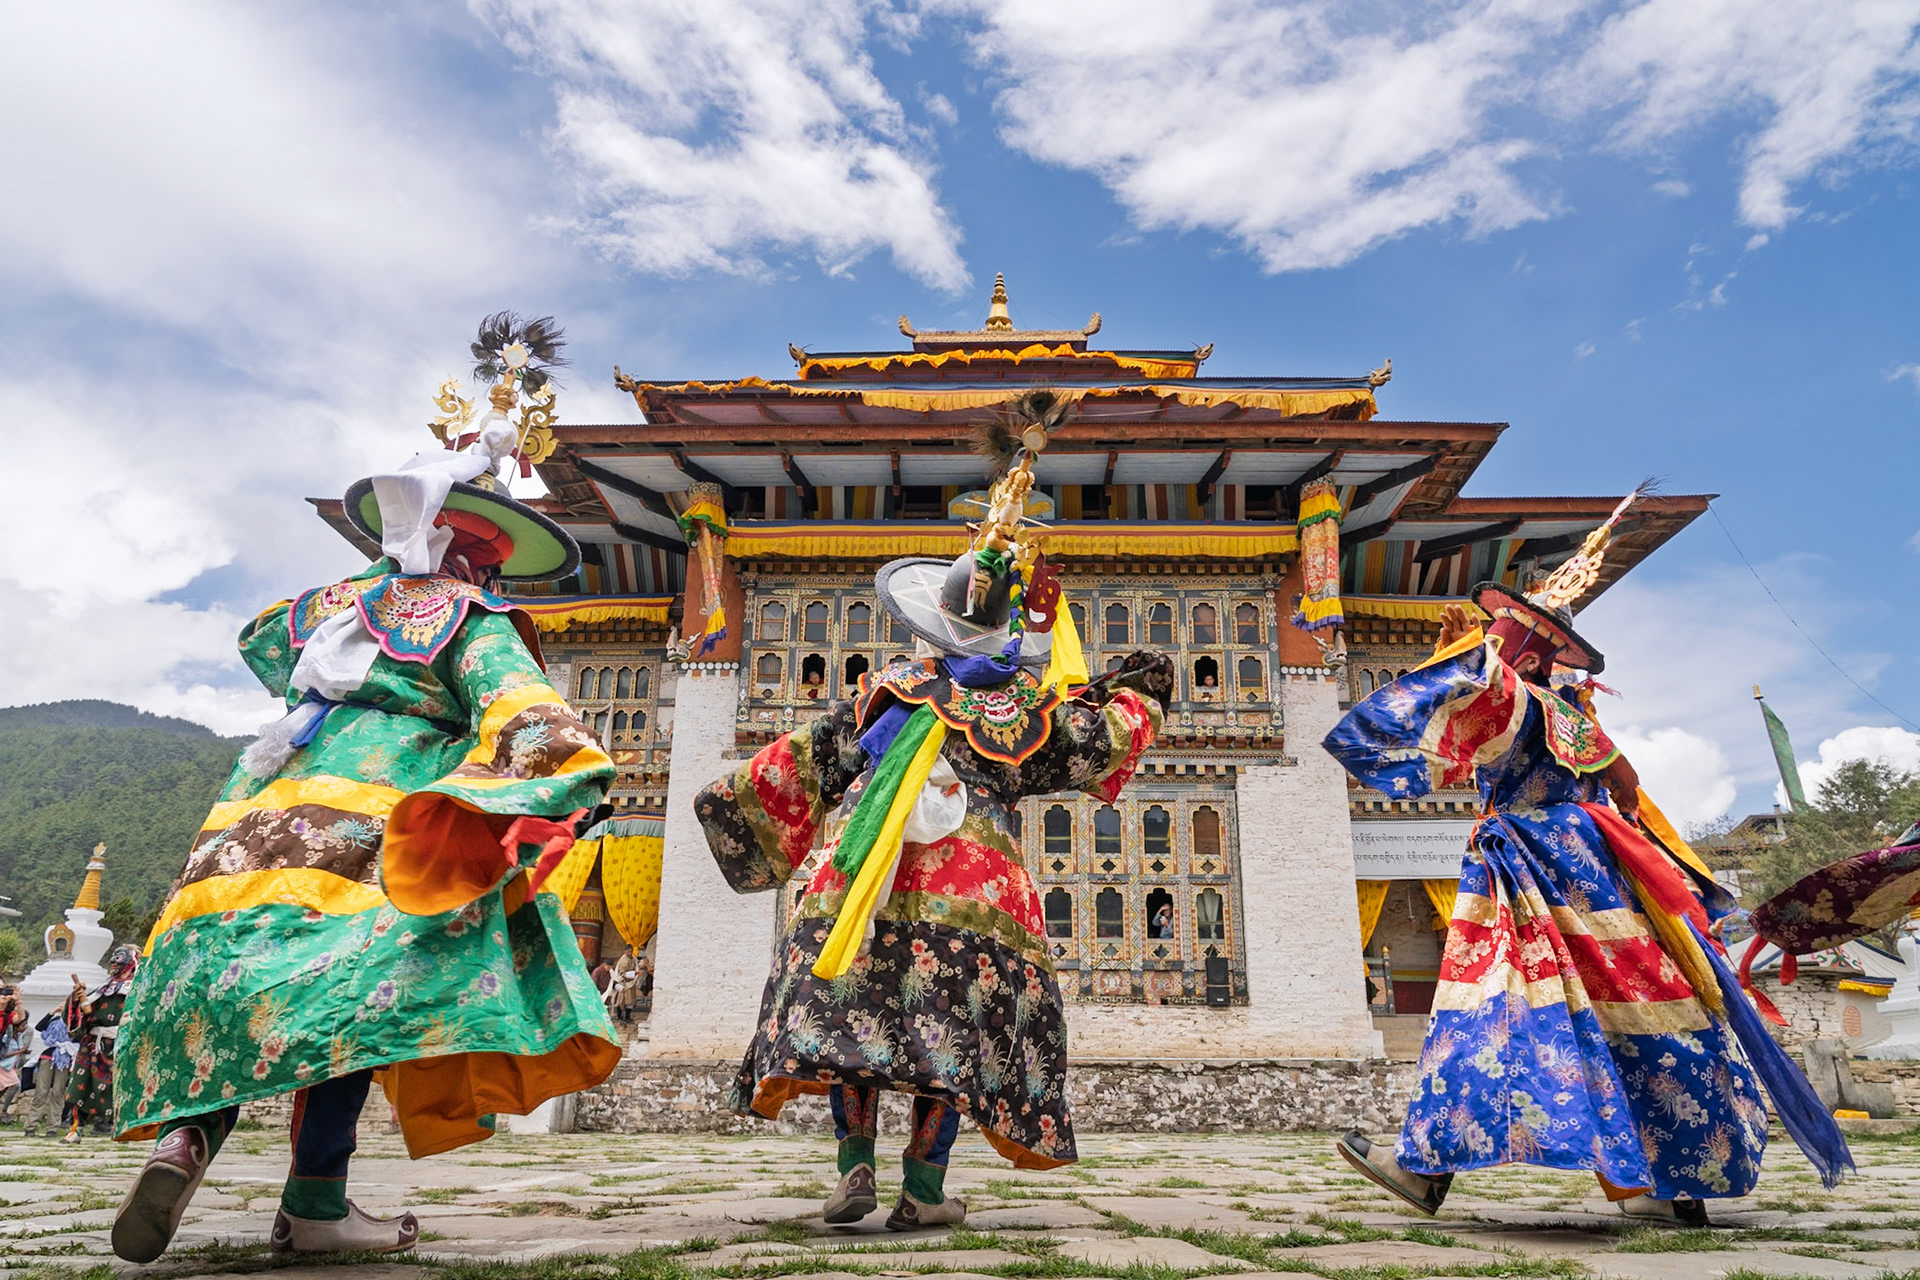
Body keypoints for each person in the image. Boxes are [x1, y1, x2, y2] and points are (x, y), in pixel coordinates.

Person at [109, 317, 621, 1264]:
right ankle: (315, 1199)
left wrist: (372, 583)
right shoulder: (471, 614)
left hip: (255, 818)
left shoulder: (329, 611)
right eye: (493, 556)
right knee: (354, 998)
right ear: (481, 552)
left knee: (243, 981)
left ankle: (191, 1142)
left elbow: (261, 639)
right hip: (371, 829)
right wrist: (574, 777)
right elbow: (526, 709)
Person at [1320, 495, 1850, 1227]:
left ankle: (1425, 1168)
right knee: (1643, 1001)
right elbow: (1628, 786)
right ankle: (1681, 1183)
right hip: (1598, 869)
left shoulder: (1513, 696)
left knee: (1485, 1010)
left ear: (1517, 652)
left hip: (1527, 870)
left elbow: (1440, 713)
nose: (1494, 649)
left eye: (1500, 640)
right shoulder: (1574, 716)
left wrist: (1451, 655)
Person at [697, 412, 1169, 1230]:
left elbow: (811, 758)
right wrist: (1139, 689)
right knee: (949, 1036)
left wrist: (728, 801)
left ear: (934, 622)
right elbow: (1098, 741)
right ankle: (924, 1189)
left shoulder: (889, 690)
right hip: (973, 891)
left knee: (852, 1018)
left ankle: (853, 1169)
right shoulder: (1019, 709)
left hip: (862, 880)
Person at [64, 945, 136, 1142]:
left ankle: (119, 1127)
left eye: (119, 957)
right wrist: (77, 1000)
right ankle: (76, 1128)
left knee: (118, 1087)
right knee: (81, 1084)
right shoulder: (103, 988)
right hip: (93, 1044)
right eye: (112, 957)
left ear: (131, 962)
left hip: (121, 1044)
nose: (113, 961)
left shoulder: (138, 990)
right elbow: (82, 1016)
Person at [23, 997, 78, 1139]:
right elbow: (40, 1027)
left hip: (65, 1057)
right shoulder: (54, 1020)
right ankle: (31, 1126)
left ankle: (52, 1127)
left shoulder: (76, 1022)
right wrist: (52, 1012)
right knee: (41, 1091)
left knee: (58, 1093)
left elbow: (79, 1035)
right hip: (48, 1057)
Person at [0, 1006, 29, 1122]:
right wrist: (19, 1051)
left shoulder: (20, 1036)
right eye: (22, 1025)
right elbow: (3, 1054)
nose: (24, 1027)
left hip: (10, 1066)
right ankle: (4, 1111)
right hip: (3, 1065)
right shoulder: (7, 1037)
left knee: (5, 1087)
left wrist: (23, 1051)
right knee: (15, 1085)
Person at [609, 947, 640, 1024]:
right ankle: (619, 1017)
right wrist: (634, 973)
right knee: (621, 1001)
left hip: (631, 983)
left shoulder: (633, 958)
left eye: (631, 952)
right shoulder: (623, 961)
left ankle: (627, 1017)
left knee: (630, 1002)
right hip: (623, 983)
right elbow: (622, 974)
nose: (629, 953)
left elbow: (636, 965)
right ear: (625, 951)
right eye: (628, 952)